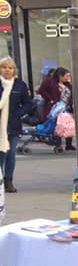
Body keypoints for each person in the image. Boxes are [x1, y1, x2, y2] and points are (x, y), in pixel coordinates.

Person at [0, 57, 32, 193]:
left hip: (13, 125)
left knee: (10, 153)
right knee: (1, 154)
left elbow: (28, 103)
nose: (7, 70)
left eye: (10, 68)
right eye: (4, 67)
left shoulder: (20, 85)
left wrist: (18, 113)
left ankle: (8, 180)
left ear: (14, 70)